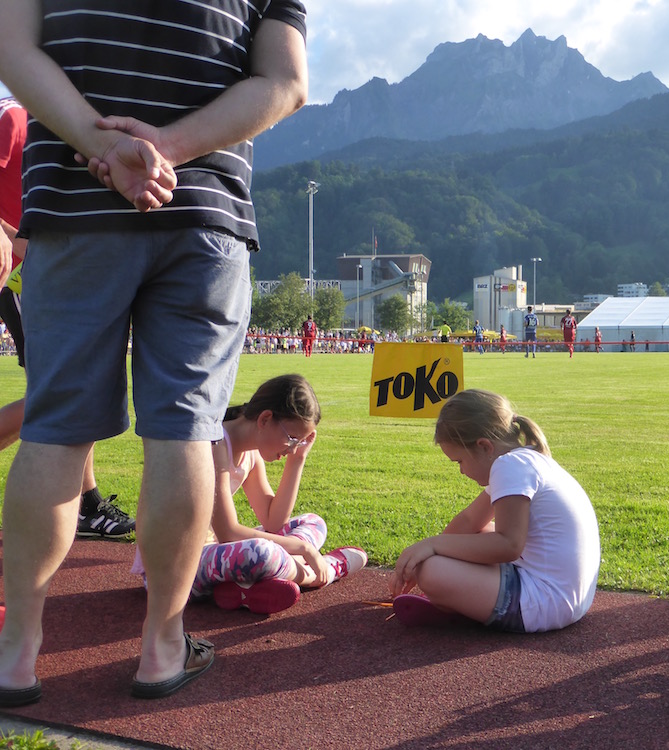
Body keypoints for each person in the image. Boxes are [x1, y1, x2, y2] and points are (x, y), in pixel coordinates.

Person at [0, 0, 308, 704]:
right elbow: (286, 83)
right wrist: (167, 148)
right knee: (187, 431)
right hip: (202, 214)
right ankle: (161, 649)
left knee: (55, 428)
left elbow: (13, 51)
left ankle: (16, 656)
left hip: (76, 208)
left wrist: (104, 147)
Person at [0, 97, 134, 539]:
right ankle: (85, 505)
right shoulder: (15, 115)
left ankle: (87, 503)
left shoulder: (78, 118)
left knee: (76, 387)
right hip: (26, 272)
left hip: (50, 268)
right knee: (66, 391)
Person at [131, 375, 367, 614]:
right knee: (261, 552)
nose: (292, 448)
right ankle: (323, 572)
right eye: (293, 439)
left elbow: (274, 522)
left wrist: (297, 461)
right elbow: (229, 533)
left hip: (216, 556)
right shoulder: (213, 445)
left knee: (313, 522)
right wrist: (305, 551)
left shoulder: (250, 455)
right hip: (173, 570)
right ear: (265, 419)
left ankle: (244, 588)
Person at [389, 389, 601, 632]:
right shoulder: (524, 460)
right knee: (466, 539)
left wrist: (432, 547)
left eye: (459, 461)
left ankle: (458, 605)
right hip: (565, 598)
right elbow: (469, 521)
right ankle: (459, 600)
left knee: (432, 571)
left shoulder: (509, 466)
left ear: (484, 446)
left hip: (545, 603)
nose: (461, 471)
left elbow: (509, 545)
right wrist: (425, 552)